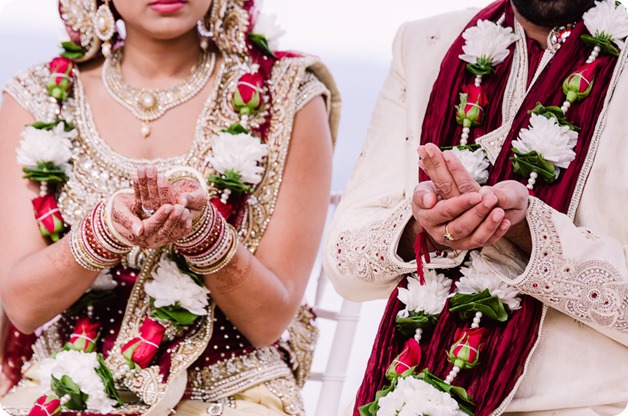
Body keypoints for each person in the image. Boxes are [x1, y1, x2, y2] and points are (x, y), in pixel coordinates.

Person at [0, 0, 340, 414]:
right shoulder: (40, 95)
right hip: (68, 378)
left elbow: (268, 321)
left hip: (230, 389)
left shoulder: (287, 93)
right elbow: (23, 307)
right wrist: (103, 233)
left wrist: (202, 234)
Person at [324, 0, 628, 414]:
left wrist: (528, 233)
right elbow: (343, 263)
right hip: (400, 397)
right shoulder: (423, 46)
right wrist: (419, 227)